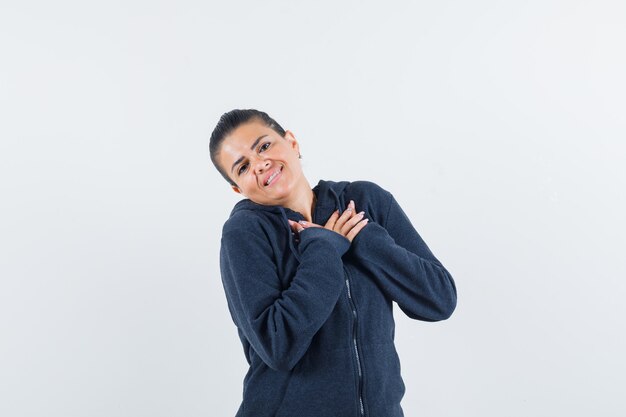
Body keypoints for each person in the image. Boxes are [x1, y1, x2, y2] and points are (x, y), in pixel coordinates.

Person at [209, 109, 457, 417]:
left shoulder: (365, 202)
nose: (260, 164)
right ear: (238, 188)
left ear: (292, 142)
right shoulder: (245, 232)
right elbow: (278, 345)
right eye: (243, 167)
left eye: (264, 146)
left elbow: (438, 300)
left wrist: (365, 239)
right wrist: (324, 249)